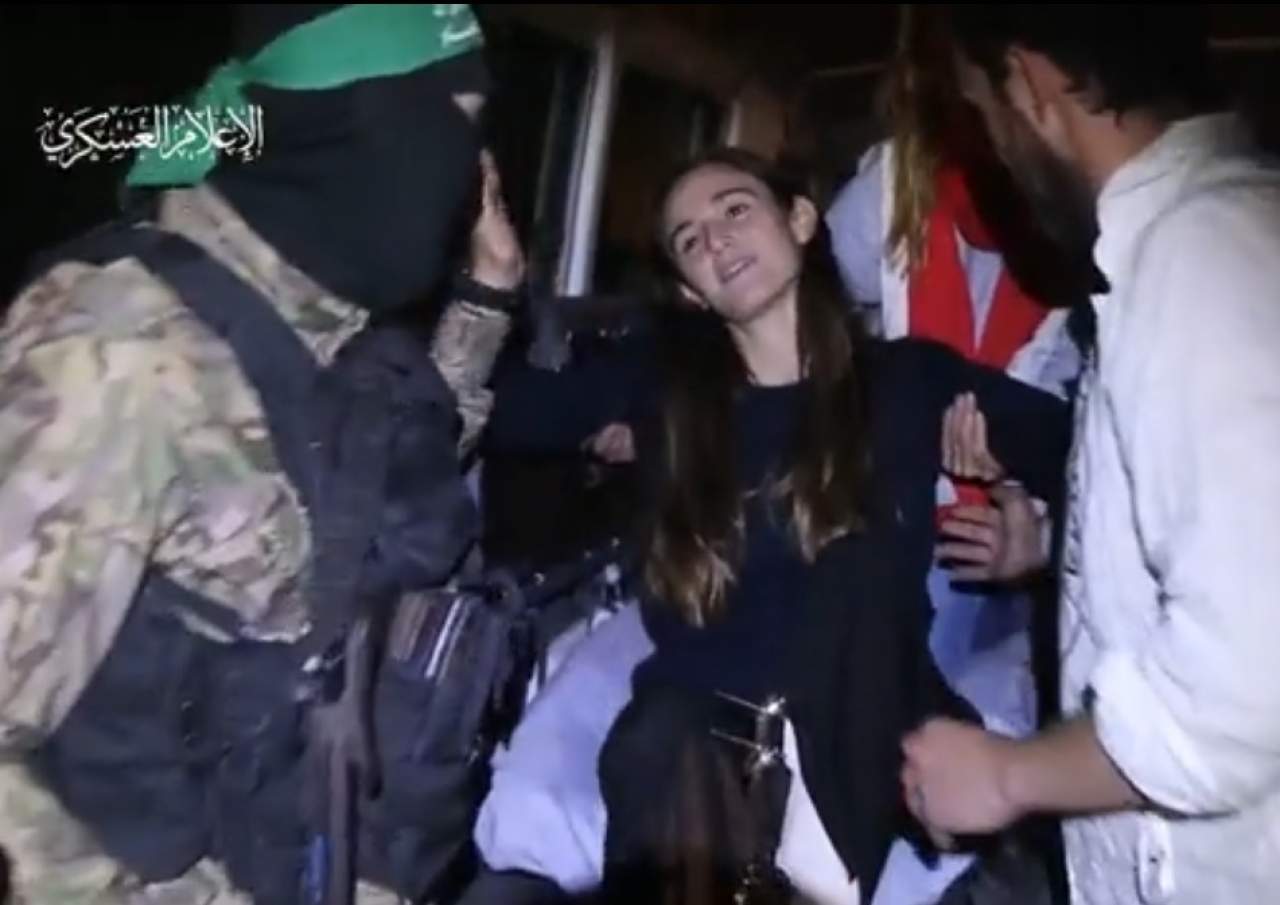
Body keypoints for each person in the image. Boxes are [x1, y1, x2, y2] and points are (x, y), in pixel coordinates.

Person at [0, 5, 525, 904]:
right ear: (367, 120)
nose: (473, 180)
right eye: (459, 132)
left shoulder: (314, 319)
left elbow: (356, 497)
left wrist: (488, 299)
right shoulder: (118, 350)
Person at [580, 147, 1071, 905]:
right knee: (660, 733)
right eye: (690, 240)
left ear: (801, 220)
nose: (716, 239)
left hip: (857, 714)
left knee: (854, 571)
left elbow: (1090, 457)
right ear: (690, 291)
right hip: (700, 725)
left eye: (735, 210)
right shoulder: (669, 405)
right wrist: (492, 288)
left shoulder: (907, 381)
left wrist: (1035, 537)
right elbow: (521, 407)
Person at [901, 6, 1280, 904]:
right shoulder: (1177, 249)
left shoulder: (1203, 259)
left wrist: (1006, 775)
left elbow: (1246, 688)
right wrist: (1053, 551)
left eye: (985, 115)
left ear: (1031, 87)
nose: (994, 153)